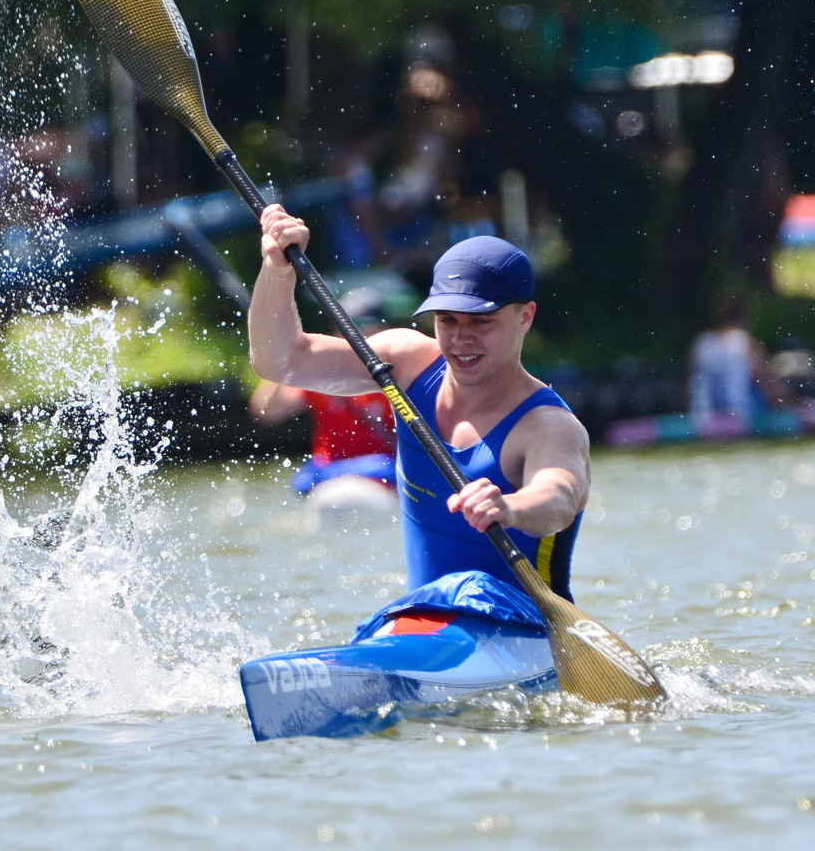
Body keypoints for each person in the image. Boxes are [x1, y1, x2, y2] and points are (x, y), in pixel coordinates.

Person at [249, 210, 589, 600]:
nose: (462, 339)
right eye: (448, 321)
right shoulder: (406, 363)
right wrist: (277, 270)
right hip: (426, 618)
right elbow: (280, 362)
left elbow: (559, 496)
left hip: (525, 627)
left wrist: (510, 507)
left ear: (525, 317)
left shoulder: (549, 425)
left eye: (482, 322)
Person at [248, 287, 398, 494]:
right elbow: (266, 411)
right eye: (353, 329)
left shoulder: (398, 376)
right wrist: (284, 362)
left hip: (384, 471)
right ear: (337, 332)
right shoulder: (320, 375)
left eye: (369, 330)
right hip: (330, 471)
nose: (361, 338)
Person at [687, 297, 785, 426]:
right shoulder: (746, 342)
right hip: (741, 415)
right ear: (746, 318)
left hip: (702, 417)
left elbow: (686, 382)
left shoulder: (702, 341)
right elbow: (766, 383)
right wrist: (790, 404)